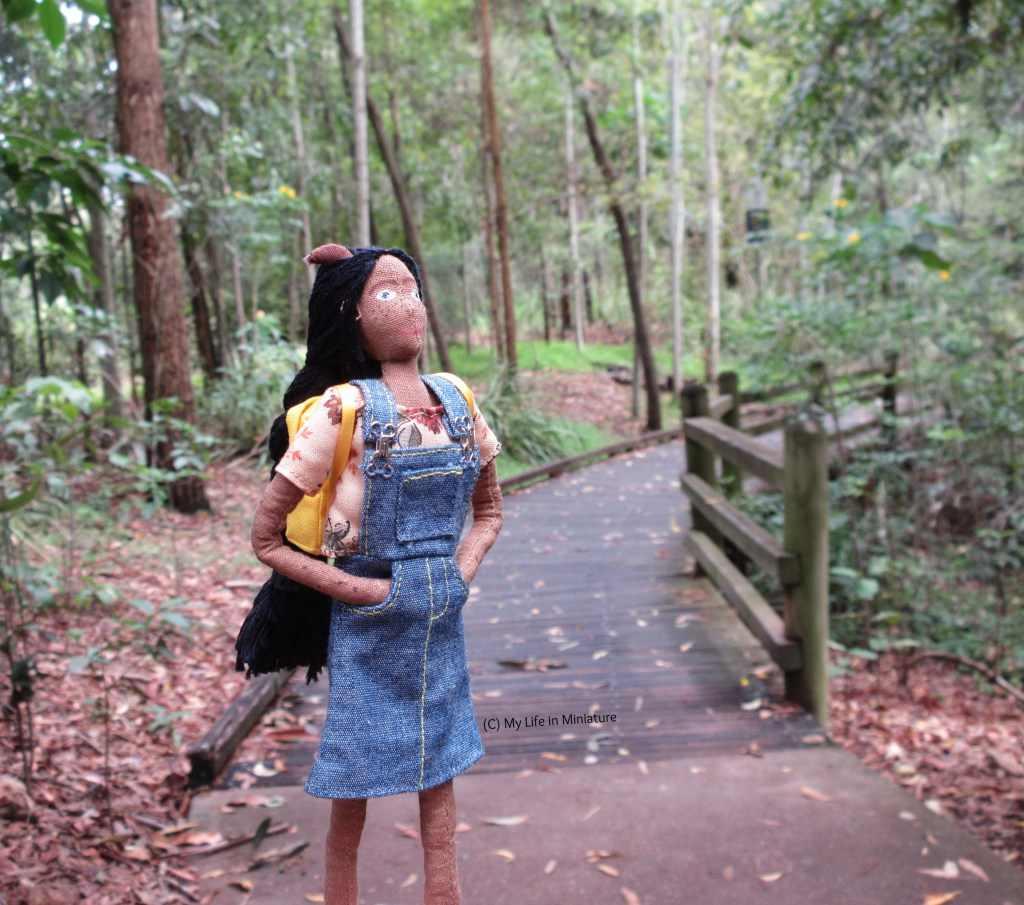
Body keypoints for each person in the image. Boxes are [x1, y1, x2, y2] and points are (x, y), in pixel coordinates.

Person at [246, 243, 503, 904]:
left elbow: (490, 508)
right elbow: (267, 537)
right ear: (349, 317)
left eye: (412, 288)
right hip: (366, 626)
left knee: (440, 782)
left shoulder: (455, 399)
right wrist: (367, 591)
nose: (409, 306)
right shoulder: (341, 412)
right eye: (386, 295)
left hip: (439, 623)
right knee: (351, 787)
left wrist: (456, 578)